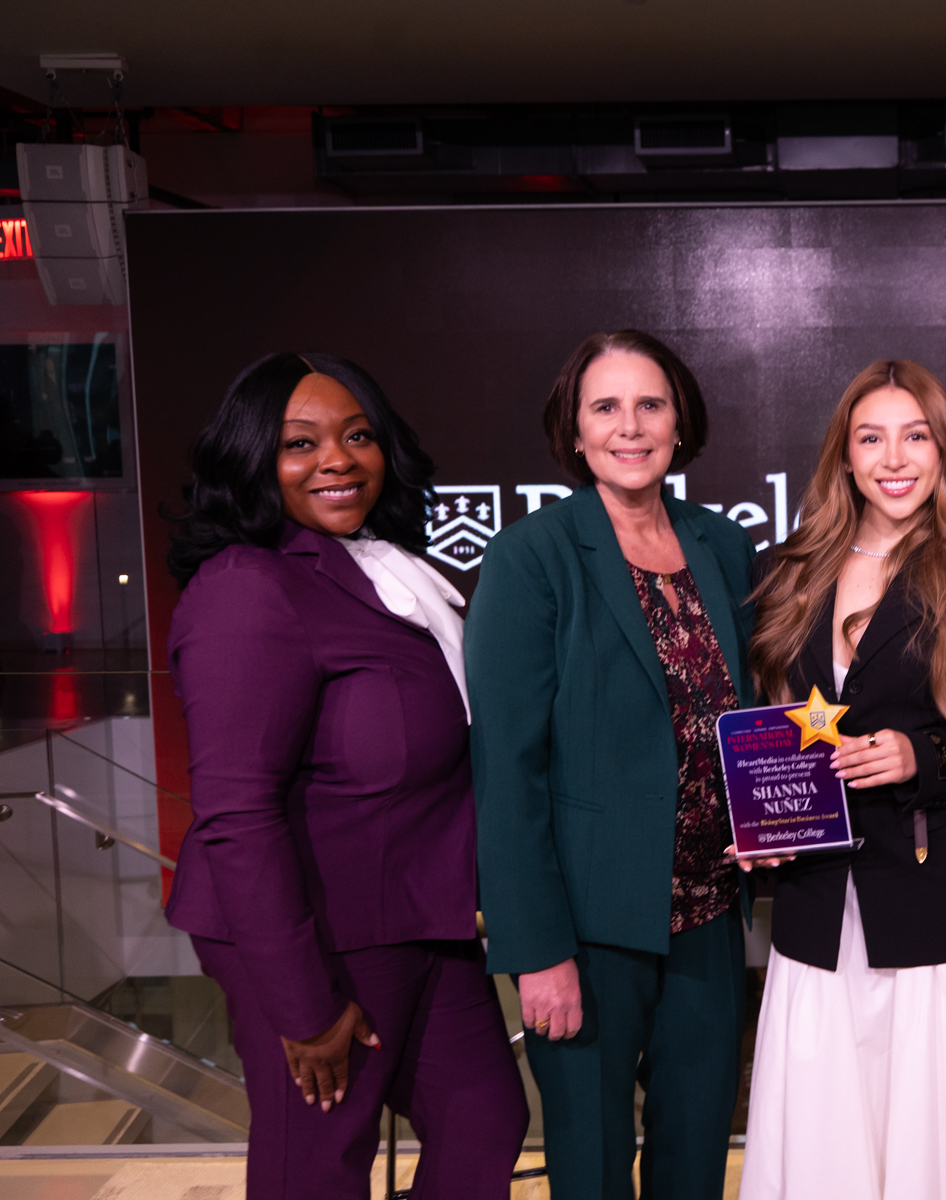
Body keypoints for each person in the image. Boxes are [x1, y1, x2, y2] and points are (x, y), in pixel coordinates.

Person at [163, 352, 528, 1198]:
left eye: (358, 435)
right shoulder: (246, 588)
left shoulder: (384, 567)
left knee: (484, 1122)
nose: (337, 458)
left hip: (424, 919)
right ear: (253, 458)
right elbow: (236, 811)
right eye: (300, 443)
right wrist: (303, 1004)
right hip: (321, 936)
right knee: (317, 1171)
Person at [737, 359, 946, 1200]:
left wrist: (921, 756)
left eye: (916, 436)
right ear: (843, 458)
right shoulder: (785, 578)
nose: (895, 458)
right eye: (872, 437)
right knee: (831, 1151)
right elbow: (766, 736)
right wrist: (758, 829)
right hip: (821, 916)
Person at [465, 330, 755, 1200]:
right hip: (588, 936)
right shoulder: (531, 558)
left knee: (696, 1163)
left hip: (707, 917)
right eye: (607, 407)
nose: (631, 427)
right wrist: (537, 950)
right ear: (577, 429)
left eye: (650, 405)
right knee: (591, 1171)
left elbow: (753, 718)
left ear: (679, 422)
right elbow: (506, 772)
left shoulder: (723, 546)